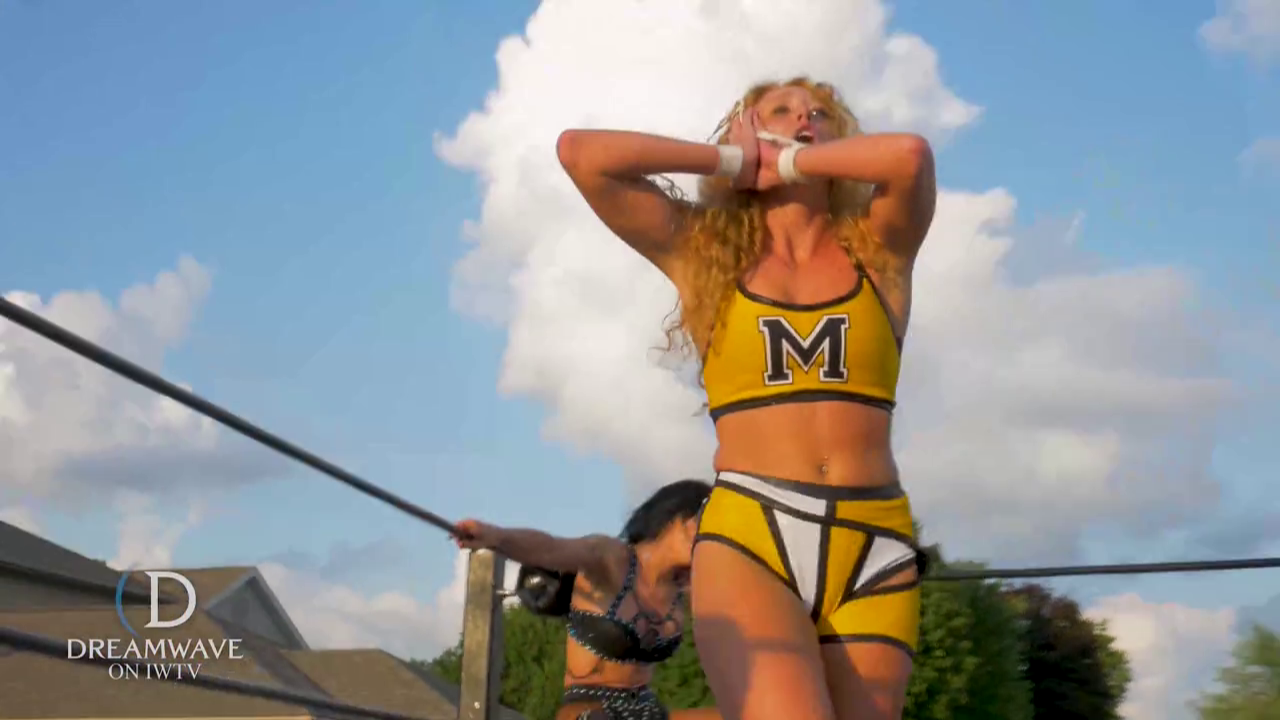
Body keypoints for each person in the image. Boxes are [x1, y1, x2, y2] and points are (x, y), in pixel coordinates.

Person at [554, 77, 936, 720]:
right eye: (780, 112)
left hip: (874, 538)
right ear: (747, 131)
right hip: (754, 533)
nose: (803, 118)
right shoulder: (702, 252)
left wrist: (789, 161)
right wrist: (730, 160)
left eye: (820, 114)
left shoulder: (880, 251)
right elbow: (581, 153)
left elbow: (910, 157)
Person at [454, 479, 721, 720]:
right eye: (713, 528)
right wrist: (497, 537)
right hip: (589, 710)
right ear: (684, 522)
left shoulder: (686, 587)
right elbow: (550, 548)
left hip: (646, 711)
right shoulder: (611, 559)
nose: (717, 543)